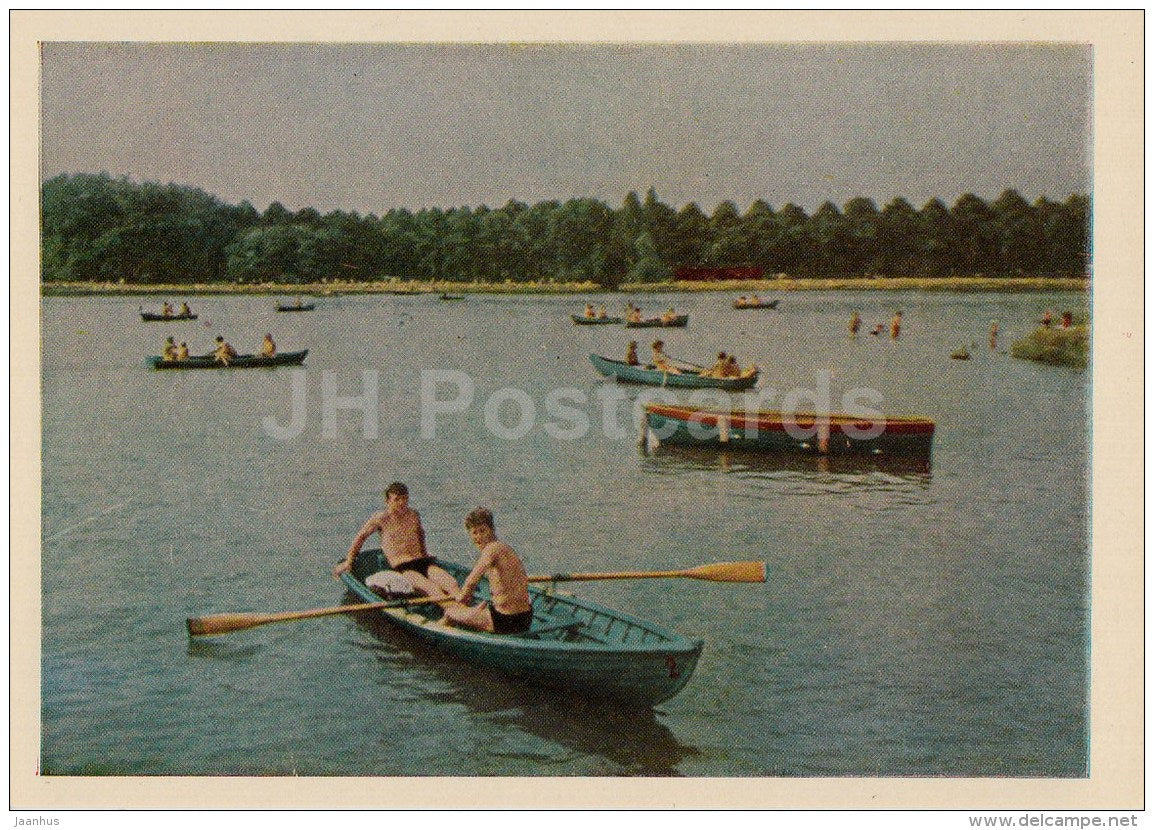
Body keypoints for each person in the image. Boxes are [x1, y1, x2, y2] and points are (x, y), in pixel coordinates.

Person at [333, 482, 460, 599]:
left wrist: (425, 553)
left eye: (404, 499)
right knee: (432, 589)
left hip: (423, 562)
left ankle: (466, 612)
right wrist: (349, 561)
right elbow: (360, 538)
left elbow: (421, 534)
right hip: (403, 567)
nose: (401, 503)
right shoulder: (381, 519)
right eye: (397, 500)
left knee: (452, 584)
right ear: (388, 501)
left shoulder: (413, 515)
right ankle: (455, 614)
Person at [442, 508, 533, 634]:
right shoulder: (504, 548)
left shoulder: (491, 550)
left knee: (450, 612)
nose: (479, 537)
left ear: (492, 530)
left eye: (482, 531)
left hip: (505, 621)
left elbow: (471, 581)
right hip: (526, 618)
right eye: (474, 533)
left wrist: (460, 598)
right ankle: (477, 615)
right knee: (479, 608)